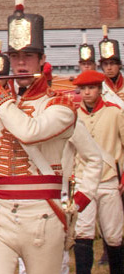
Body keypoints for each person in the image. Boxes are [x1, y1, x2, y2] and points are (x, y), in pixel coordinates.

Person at [0, 0, 100, 274]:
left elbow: (29, 131)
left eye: (28, 55)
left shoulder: (61, 105)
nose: (19, 63)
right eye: (15, 55)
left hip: (41, 214)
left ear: (42, 59)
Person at [71, 70, 124, 274]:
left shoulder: (115, 112)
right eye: (83, 88)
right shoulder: (74, 115)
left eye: (91, 88)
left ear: (100, 89)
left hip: (108, 179)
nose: (86, 93)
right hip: (84, 181)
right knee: (83, 233)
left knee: (113, 236)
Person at [99, 26, 124, 102]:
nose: (109, 68)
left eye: (112, 64)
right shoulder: (99, 87)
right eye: (105, 64)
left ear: (119, 65)